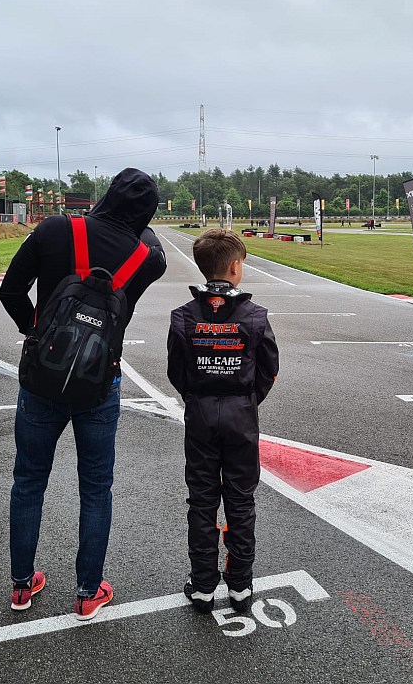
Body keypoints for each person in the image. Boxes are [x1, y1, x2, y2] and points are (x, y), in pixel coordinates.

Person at [0, 167, 166, 618]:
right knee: (95, 487)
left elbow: (10, 292)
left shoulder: (55, 229)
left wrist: (37, 333)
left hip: (42, 378)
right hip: (98, 383)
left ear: (107, 195)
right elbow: (153, 243)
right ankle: (88, 591)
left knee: (28, 481)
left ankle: (21, 585)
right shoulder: (147, 258)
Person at [166, 229, 279, 614]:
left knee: (202, 500)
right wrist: (245, 399)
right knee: (240, 500)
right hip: (241, 416)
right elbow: (269, 370)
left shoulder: (183, 316)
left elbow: (176, 372)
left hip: (200, 415)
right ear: (234, 267)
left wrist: (199, 396)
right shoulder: (255, 315)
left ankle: (202, 587)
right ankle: (241, 586)